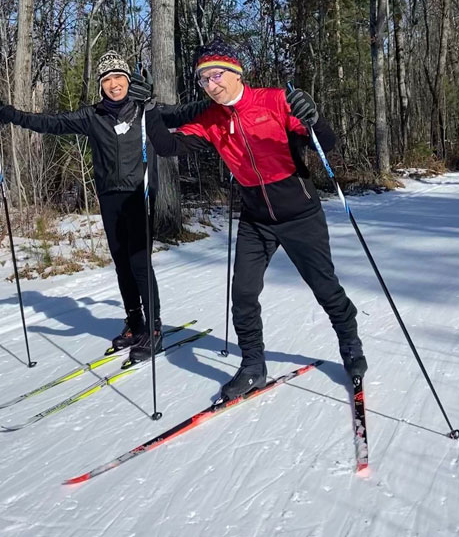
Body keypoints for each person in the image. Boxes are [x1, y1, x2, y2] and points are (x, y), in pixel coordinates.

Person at [142, 36, 367, 400]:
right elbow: (168, 147)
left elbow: (325, 143)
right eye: (203, 80)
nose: (211, 85)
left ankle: (350, 345)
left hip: (300, 213)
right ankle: (253, 366)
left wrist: (315, 117)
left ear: (236, 72)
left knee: (325, 288)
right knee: (244, 292)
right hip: (256, 218)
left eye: (216, 76)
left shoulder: (275, 101)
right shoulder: (211, 120)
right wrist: (149, 110)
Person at [0, 51, 207, 363]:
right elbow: (46, 123)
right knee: (122, 263)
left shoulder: (146, 109)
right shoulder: (91, 116)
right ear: (101, 85)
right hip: (110, 198)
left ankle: (153, 328)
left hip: (141, 195)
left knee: (139, 263)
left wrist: (220, 99)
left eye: (119, 78)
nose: (114, 84)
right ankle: (134, 321)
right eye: (107, 79)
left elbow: (183, 114)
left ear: (127, 80)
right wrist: (5, 113)